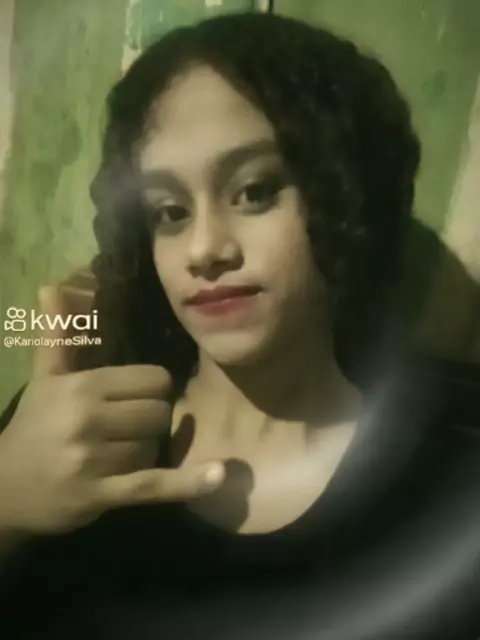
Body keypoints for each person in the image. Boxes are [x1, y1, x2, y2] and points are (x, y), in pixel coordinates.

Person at [0, 12, 480, 640]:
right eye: (169, 211)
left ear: (347, 198)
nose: (204, 249)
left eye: (254, 192)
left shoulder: (449, 501)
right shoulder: (70, 426)